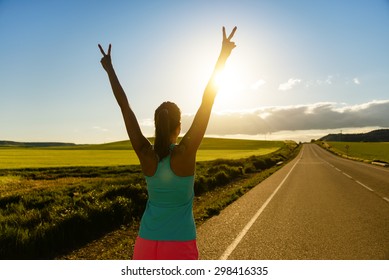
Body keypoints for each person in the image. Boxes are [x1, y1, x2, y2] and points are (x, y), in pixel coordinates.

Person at [98, 26, 237, 260]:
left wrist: (109, 69)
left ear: (156, 125)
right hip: (179, 246)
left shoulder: (146, 154)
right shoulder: (185, 153)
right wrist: (223, 57)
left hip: (145, 244)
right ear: (179, 127)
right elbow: (207, 102)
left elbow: (125, 107)